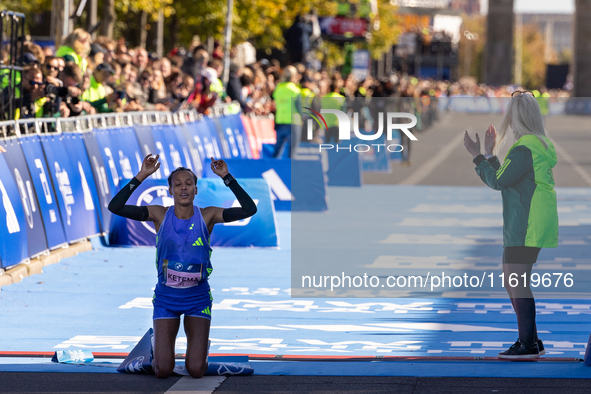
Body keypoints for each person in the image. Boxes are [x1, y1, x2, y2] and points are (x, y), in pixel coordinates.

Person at [108, 155, 257, 378]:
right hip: (166, 298)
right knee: (162, 371)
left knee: (196, 370)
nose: (183, 188)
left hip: (197, 299)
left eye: (188, 184)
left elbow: (249, 209)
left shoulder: (208, 215)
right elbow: (116, 207)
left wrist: (226, 177)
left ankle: (200, 347)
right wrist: (142, 175)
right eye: (177, 184)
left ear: (196, 190)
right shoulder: (159, 214)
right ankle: (154, 344)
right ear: (170, 190)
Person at [463, 91, 558, 359]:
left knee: (516, 280)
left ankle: (527, 343)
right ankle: (531, 339)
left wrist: (478, 156)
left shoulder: (525, 147)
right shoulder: (537, 144)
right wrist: (490, 156)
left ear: (517, 119)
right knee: (512, 279)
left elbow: (499, 181)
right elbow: (508, 175)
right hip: (530, 220)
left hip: (526, 222)